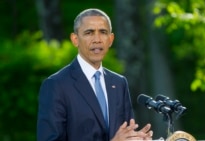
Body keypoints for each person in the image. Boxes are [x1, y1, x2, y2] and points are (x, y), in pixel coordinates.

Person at [37, 8, 153, 141]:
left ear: (110, 39)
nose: (97, 39)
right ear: (75, 39)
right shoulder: (56, 85)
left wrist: (138, 138)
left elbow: (125, 134)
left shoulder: (119, 83)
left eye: (103, 32)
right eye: (89, 32)